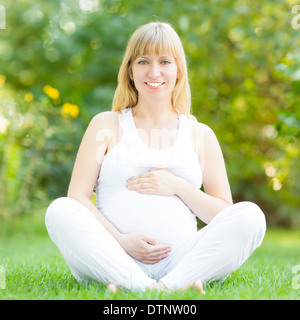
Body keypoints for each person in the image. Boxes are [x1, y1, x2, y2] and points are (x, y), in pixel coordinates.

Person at [45, 22, 266, 293]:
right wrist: (121, 241)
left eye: (164, 61)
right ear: (130, 71)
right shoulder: (106, 125)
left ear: (178, 70)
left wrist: (179, 186)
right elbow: (77, 197)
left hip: (180, 260)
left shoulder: (200, 134)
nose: (154, 72)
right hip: (114, 255)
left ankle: (163, 285)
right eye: (143, 61)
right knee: (59, 211)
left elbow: (223, 214)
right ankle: (150, 286)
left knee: (251, 216)